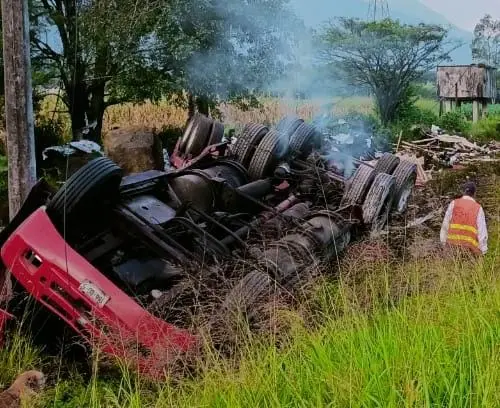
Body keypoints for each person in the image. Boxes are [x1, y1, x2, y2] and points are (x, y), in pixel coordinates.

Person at [440, 181, 488, 255]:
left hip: (452, 246)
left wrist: (443, 242)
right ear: (474, 193)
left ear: (463, 192)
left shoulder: (454, 203)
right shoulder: (478, 208)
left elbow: (445, 224)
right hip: (469, 249)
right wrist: (483, 250)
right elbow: (482, 231)